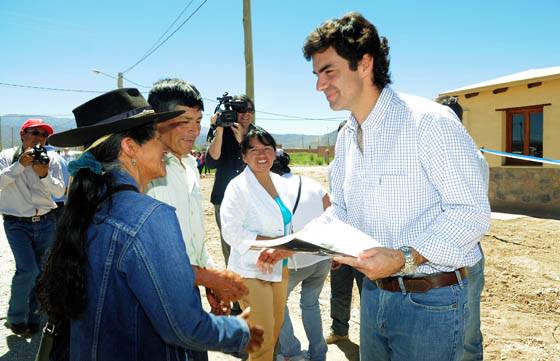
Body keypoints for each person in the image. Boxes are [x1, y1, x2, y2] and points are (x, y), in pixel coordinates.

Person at [300, 13, 490, 361]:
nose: (319, 85)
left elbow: (471, 213)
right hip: (374, 296)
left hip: (431, 302)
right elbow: (341, 211)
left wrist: (404, 258)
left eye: (329, 71)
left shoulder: (429, 122)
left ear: (365, 63)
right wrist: (297, 242)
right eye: (316, 75)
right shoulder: (345, 137)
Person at [37, 88, 263, 360]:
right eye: (157, 138)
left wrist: (204, 277)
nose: (164, 147)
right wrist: (240, 332)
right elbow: (183, 325)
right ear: (130, 147)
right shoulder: (147, 215)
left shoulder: (92, 203)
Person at [146, 78, 249, 361]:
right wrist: (210, 277)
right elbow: (149, 256)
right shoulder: (143, 172)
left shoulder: (190, 164)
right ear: (157, 121)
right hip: (155, 303)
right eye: (184, 120)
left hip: (188, 294)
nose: (194, 129)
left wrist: (209, 280)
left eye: (198, 120)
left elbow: (194, 237)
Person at [220, 127, 293, 361]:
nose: (262, 155)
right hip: (251, 269)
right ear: (243, 156)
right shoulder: (237, 187)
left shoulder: (280, 183)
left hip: (279, 267)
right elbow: (231, 232)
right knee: (261, 338)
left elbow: (288, 225)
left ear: (275, 152)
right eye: (254, 150)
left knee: (274, 331)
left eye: (267, 149)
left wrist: (287, 246)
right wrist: (274, 243)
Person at [0, 118, 65, 336]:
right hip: (16, 223)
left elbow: (59, 192)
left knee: (41, 273)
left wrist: (44, 174)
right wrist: (19, 166)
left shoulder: (52, 159)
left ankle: (34, 315)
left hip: (46, 222)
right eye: (35, 132)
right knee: (28, 270)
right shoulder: (7, 157)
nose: (39, 138)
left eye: (43, 135)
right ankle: (17, 317)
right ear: (22, 134)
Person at [436, 95, 487, 361]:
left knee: (466, 336)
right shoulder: (471, 152)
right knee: (461, 333)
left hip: (461, 257)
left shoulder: (463, 155)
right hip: (461, 255)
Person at [272, 150, 331, 361]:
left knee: (275, 303)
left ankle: (291, 352)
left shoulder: (272, 189)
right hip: (321, 256)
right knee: (310, 304)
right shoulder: (312, 184)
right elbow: (330, 215)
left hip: (296, 260)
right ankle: (318, 353)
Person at [325, 119, 364, 345]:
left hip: (362, 242)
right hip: (340, 239)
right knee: (339, 287)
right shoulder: (333, 168)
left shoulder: (367, 165)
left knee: (367, 290)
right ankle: (339, 329)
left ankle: (371, 338)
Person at [205, 94, 256, 267]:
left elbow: (262, 166)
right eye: (241, 110)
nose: (245, 114)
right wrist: (219, 130)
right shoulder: (222, 132)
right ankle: (234, 283)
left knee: (251, 243)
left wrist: (243, 141)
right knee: (230, 245)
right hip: (223, 198)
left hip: (252, 199)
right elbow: (211, 162)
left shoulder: (257, 135)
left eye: (249, 110)